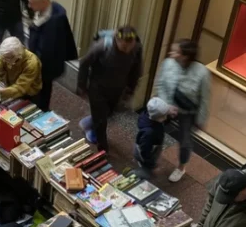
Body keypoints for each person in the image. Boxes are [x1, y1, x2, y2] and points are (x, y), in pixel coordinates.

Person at [77, 26, 143, 152]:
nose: (127, 50)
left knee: (109, 113)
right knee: (101, 121)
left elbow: (136, 69)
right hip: (98, 87)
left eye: (130, 47)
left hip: (117, 88)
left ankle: (89, 123)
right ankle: (103, 149)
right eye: (124, 47)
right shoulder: (102, 46)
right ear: (117, 41)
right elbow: (85, 63)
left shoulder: (136, 48)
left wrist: (130, 89)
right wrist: (82, 85)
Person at [156, 38, 212, 183]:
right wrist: (167, 106)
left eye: (176, 52)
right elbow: (161, 84)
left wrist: (201, 119)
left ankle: (181, 167)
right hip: (168, 104)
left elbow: (205, 98)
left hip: (188, 111)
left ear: (185, 56)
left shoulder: (202, 72)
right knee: (154, 130)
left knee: (185, 140)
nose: (171, 53)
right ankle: (152, 157)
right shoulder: (168, 63)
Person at [25, 0, 78, 111]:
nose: (29, 6)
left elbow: (46, 51)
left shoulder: (54, 24)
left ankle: (40, 111)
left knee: (42, 91)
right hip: (38, 64)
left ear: (43, 2)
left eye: (32, 3)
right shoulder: (46, 11)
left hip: (44, 67)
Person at [0, 37, 42, 102]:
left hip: (28, 93)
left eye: (7, 58)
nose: (4, 60)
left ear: (18, 55)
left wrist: (1, 92)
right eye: (3, 57)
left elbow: (20, 88)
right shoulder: (5, 56)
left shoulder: (31, 63)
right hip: (11, 88)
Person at [134, 98, 170, 179]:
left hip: (150, 145)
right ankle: (137, 175)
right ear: (156, 117)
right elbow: (144, 151)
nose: (166, 118)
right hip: (145, 152)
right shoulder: (149, 133)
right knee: (145, 171)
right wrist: (151, 164)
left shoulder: (147, 115)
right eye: (163, 116)